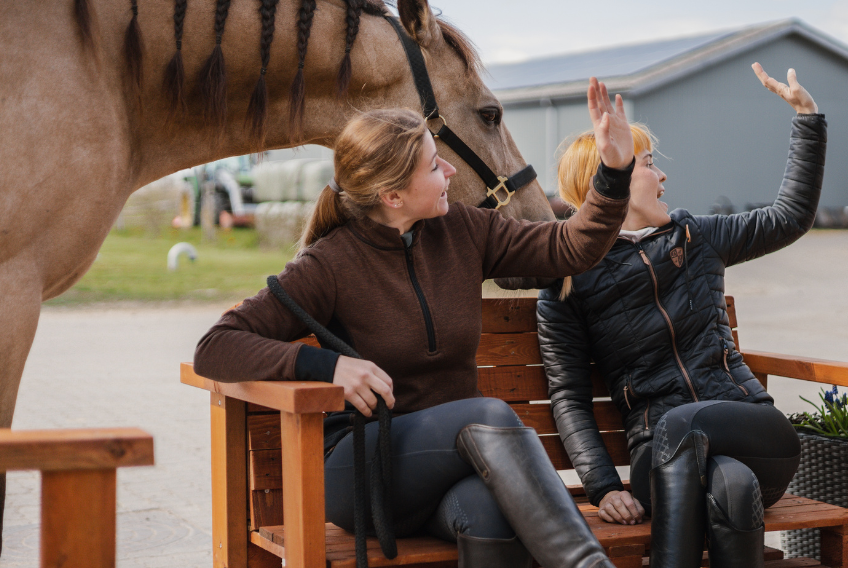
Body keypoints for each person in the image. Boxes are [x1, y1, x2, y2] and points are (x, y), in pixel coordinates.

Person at [194, 79, 635, 568]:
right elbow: (216, 346)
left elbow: (569, 248)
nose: (450, 170)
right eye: (433, 165)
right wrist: (327, 366)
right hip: (364, 470)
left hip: (452, 471)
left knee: (493, 517)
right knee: (486, 415)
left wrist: (613, 173)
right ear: (392, 195)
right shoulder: (329, 264)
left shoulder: (464, 229)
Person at [537, 63, 826, 568]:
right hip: (660, 456)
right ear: (614, 178)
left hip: (754, 430)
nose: (663, 175)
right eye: (649, 164)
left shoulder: (697, 237)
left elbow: (789, 217)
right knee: (731, 485)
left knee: (682, 424)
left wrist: (807, 118)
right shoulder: (569, 281)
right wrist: (603, 485)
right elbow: (569, 395)